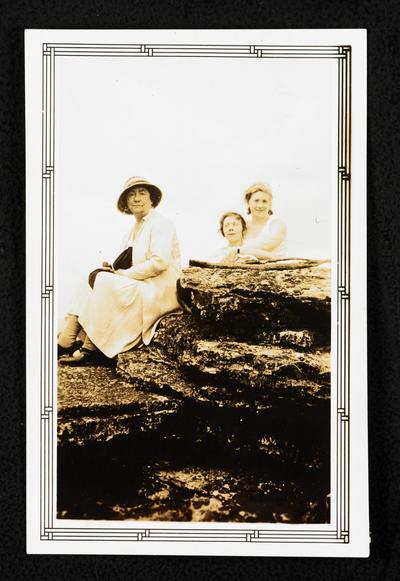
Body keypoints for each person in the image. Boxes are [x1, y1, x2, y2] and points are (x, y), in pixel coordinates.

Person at [58, 176, 181, 364]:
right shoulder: (131, 231)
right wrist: (114, 269)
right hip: (141, 282)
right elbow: (130, 263)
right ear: (126, 202)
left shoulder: (161, 223)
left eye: (142, 193)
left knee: (103, 281)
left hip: (159, 289)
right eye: (131, 195)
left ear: (151, 199)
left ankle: (92, 349)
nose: (137, 198)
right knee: (88, 278)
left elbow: (160, 262)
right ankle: (66, 341)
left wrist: (123, 275)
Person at [239, 182, 287, 259]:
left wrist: (238, 251)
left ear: (270, 204)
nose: (260, 205)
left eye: (264, 201)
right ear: (248, 203)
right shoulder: (243, 226)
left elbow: (266, 246)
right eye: (256, 201)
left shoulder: (277, 225)